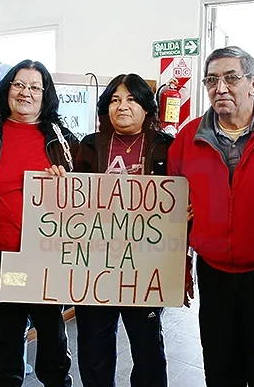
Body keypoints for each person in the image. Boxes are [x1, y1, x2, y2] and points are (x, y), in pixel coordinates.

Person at [167, 46, 254, 387]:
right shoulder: (189, 137)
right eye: (212, 80)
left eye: (232, 78)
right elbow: (171, 203)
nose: (221, 88)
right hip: (214, 272)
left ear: (253, 82)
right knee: (218, 365)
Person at [48, 73, 174, 387]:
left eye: (132, 99)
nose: (123, 106)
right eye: (115, 100)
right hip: (95, 267)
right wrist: (59, 183)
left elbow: (183, 195)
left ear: (147, 106)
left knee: (147, 349)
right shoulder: (89, 146)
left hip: (144, 267)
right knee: (94, 347)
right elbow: (71, 201)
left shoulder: (166, 147)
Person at [0, 59, 77, 387]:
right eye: (19, 85)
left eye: (35, 87)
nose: (26, 93)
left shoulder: (62, 140)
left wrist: (67, 182)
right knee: (10, 329)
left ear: (46, 95)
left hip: (46, 257)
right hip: (6, 258)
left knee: (51, 330)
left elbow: (83, 199)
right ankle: (10, 379)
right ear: (7, 89)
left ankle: (56, 381)